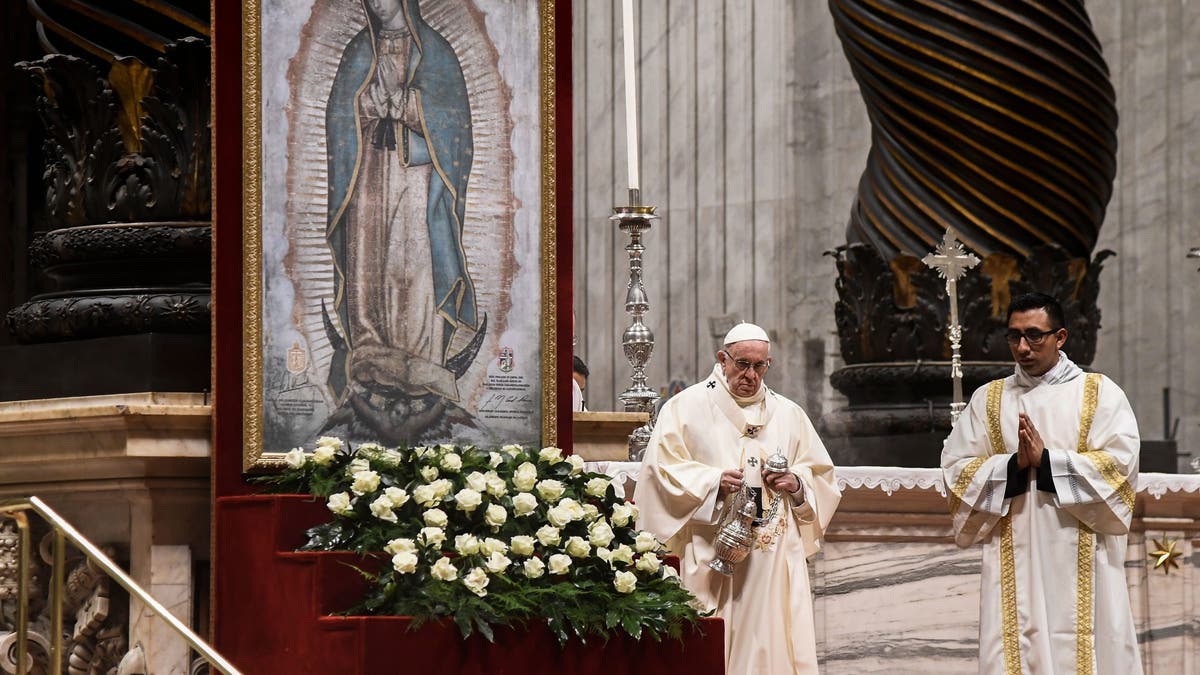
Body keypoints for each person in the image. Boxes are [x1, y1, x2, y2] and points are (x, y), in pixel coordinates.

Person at [941, 292, 1141, 674]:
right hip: (1013, 550)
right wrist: (1014, 466)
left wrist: (1048, 462)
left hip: (1083, 551)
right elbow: (956, 469)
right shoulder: (989, 399)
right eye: (1014, 336)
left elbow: (1120, 466)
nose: (1022, 347)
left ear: (1060, 337)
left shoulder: (1099, 394)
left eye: (1034, 335)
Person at [634, 322, 841, 674]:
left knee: (773, 634)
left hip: (773, 554)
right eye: (742, 364)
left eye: (760, 366)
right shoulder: (685, 407)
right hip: (712, 545)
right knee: (715, 639)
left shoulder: (789, 414)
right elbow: (659, 471)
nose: (751, 375)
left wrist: (796, 483)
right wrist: (712, 482)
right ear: (722, 358)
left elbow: (821, 476)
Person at [323, 0, 478, 410]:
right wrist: (366, 106)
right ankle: (371, 351)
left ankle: (420, 357)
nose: (377, 1)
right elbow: (339, 114)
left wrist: (411, 106)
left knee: (413, 260)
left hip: (415, 179)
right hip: (370, 178)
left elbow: (456, 127)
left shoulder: (435, 52)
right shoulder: (359, 50)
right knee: (368, 262)